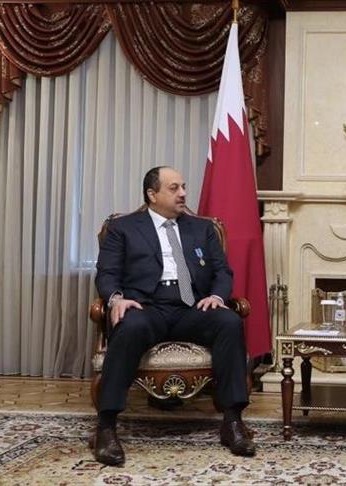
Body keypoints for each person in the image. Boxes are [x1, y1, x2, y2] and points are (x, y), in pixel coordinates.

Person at [91, 166, 254, 466]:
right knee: (128, 326)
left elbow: (222, 272)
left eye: (183, 187)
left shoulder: (202, 228)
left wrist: (217, 297)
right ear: (152, 194)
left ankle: (232, 422)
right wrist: (116, 299)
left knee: (229, 322)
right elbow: (107, 273)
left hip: (192, 307)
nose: (183, 194)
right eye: (174, 188)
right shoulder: (123, 228)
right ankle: (106, 427)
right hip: (146, 307)